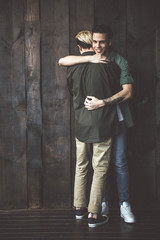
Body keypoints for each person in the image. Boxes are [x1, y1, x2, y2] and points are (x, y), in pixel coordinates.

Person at [59, 25, 136, 223]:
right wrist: (90, 58)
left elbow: (127, 92)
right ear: (90, 43)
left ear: (109, 41)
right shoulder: (91, 62)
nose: (98, 46)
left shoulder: (117, 62)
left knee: (117, 162)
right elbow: (62, 61)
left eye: (102, 42)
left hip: (115, 118)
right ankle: (98, 207)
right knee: (98, 166)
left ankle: (123, 205)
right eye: (95, 42)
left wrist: (102, 102)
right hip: (98, 122)